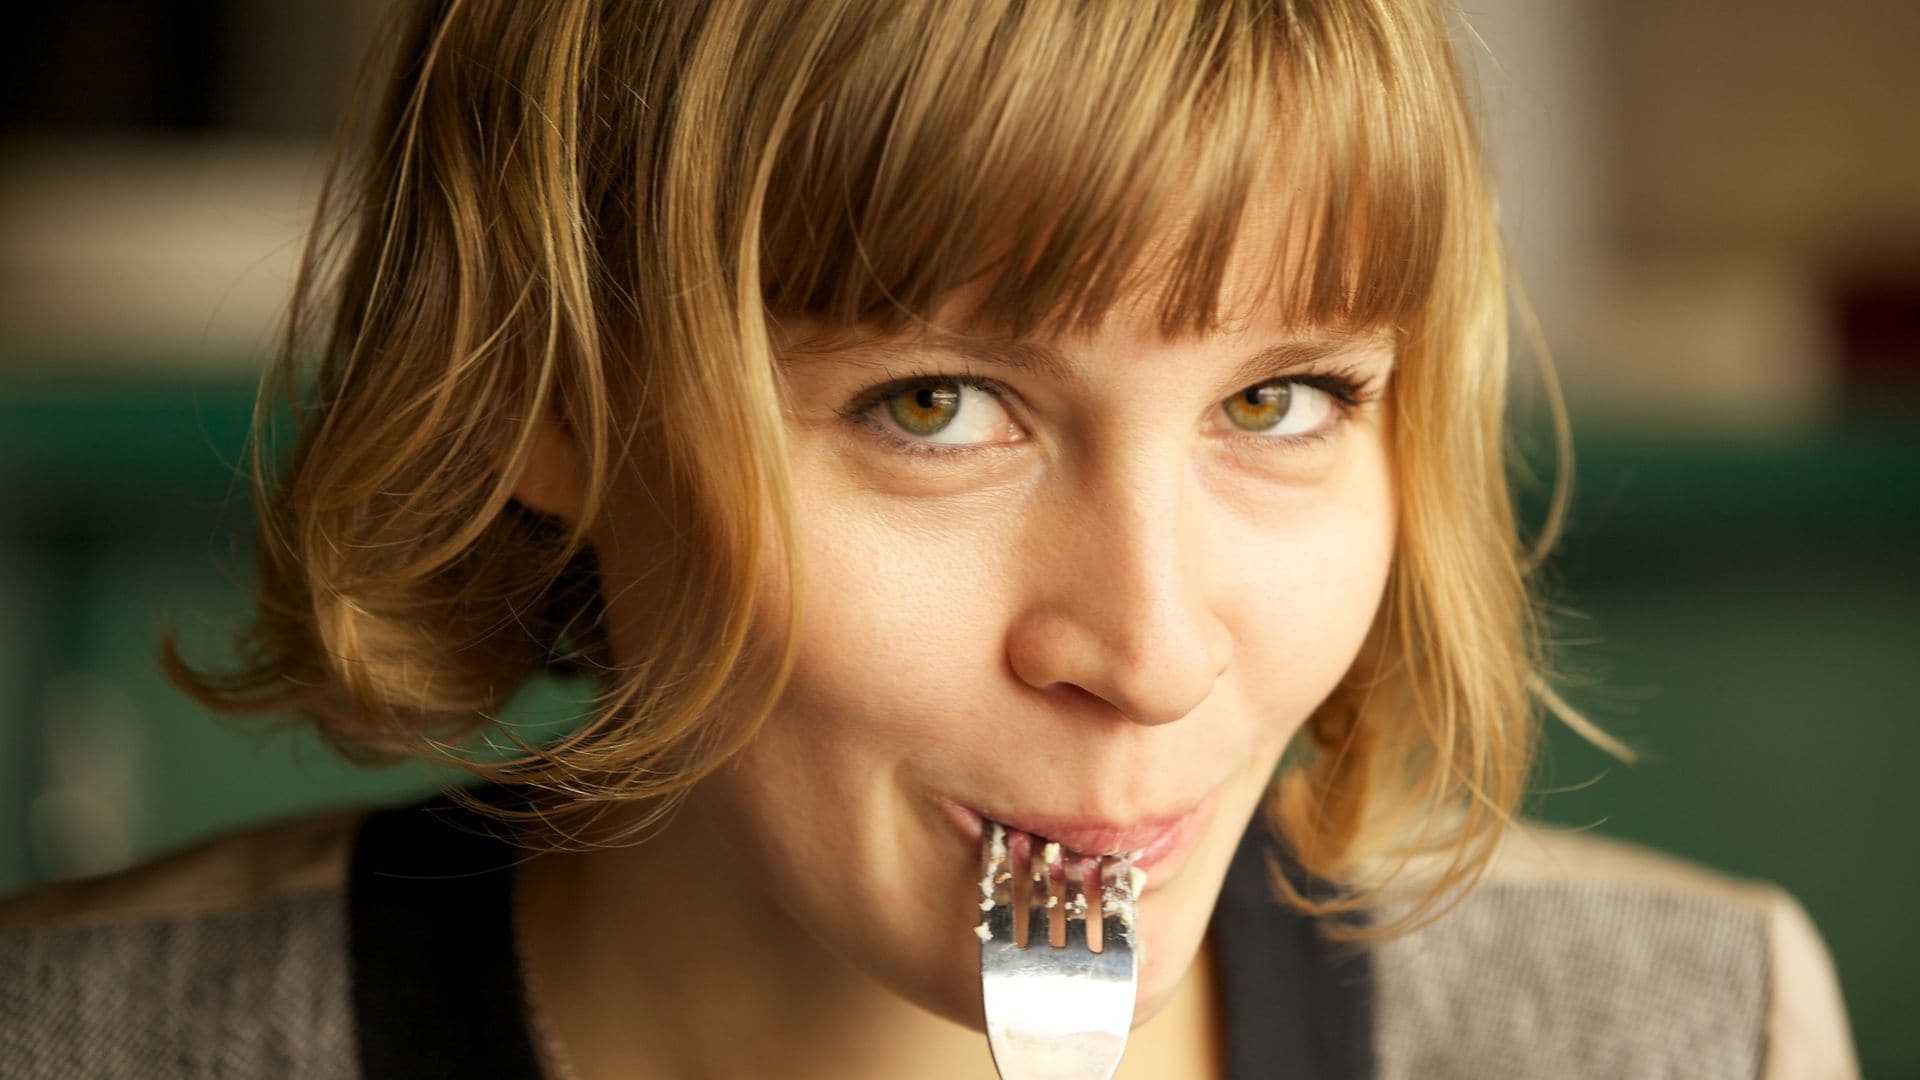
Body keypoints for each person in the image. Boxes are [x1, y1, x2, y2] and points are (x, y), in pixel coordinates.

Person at [0, 1, 1860, 1077]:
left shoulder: (1688, 1033)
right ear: (545, 395)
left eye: (1280, 400)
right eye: (936, 408)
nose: (1150, 650)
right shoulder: (88, 1041)